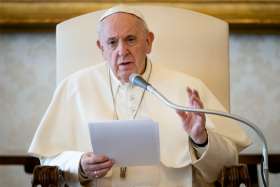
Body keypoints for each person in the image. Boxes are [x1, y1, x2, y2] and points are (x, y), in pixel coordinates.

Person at [29, 5, 250, 187]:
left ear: (149, 42)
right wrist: (80, 164)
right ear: (101, 48)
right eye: (112, 42)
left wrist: (201, 138)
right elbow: (48, 158)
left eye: (131, 39)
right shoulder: (74, 88)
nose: (122, 51)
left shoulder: (187, 87)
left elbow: (227, 163)